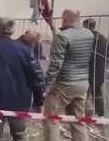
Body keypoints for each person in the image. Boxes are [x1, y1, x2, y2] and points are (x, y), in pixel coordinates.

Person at [0, 18, 45, 141]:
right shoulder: (24, 50)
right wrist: (39, 101)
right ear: (12, 30)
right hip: (20, 103)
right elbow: (36, 76)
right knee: (19, 136)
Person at [44, 10, 94, 141]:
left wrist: (46, 83)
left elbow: (56, 64)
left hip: (63, 84)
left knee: (52, 120)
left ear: (65, 19)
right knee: (79, 121)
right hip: (82, 84)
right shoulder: (89, 34)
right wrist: (53, 27)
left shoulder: (62, 37)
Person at [83, 18, 109, 117]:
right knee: (97, 93)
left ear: (86, 26)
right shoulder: (103, 39)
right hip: (98, 71)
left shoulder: (85, 37)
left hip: (85, 70)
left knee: (83, 93)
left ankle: (84, 114)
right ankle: (100, 114)